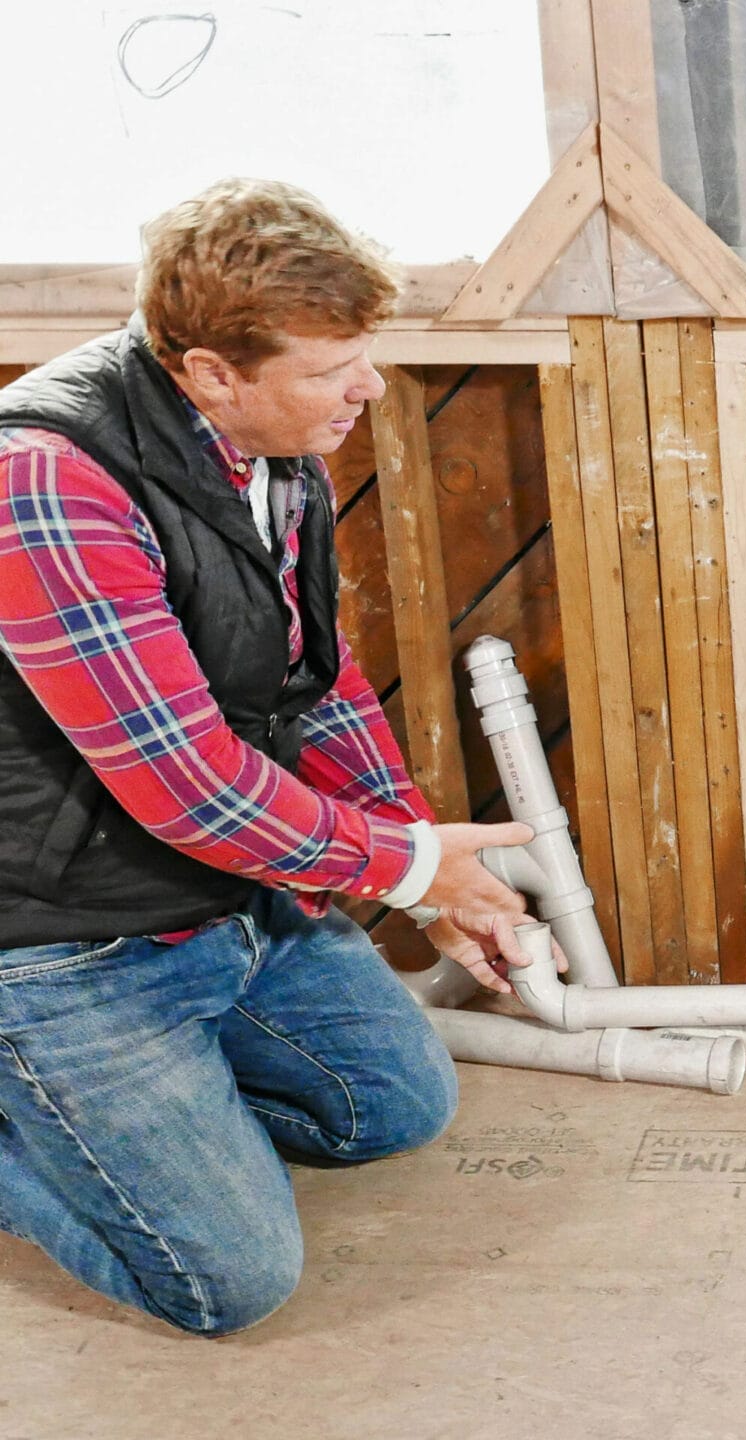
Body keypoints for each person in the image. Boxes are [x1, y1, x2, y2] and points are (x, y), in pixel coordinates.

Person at [0, 179, 543, 1336]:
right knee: (228, 1283)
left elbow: (315, 679)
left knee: (391, 1108)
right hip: (57, 936)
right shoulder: (44, 479)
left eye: (364, 355)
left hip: (215, 897)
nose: (368, 387)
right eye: (331, 367)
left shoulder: (275, 445)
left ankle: (106, 1121)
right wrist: (407, 868)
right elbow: (186, 785)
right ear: (211, 371)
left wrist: (424, 870)